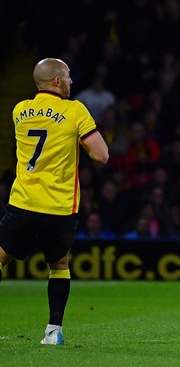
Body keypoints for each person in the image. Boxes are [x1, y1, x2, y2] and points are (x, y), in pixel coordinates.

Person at [0, 58, 109, 345]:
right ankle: (53, 332)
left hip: (22, 202)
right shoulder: (74, 111)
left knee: (1, 257)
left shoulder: (19, 110)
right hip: (58, 206)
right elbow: (101, 155)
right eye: (69, 77)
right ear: (57, 81)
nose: (72, 82)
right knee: (59, 264)